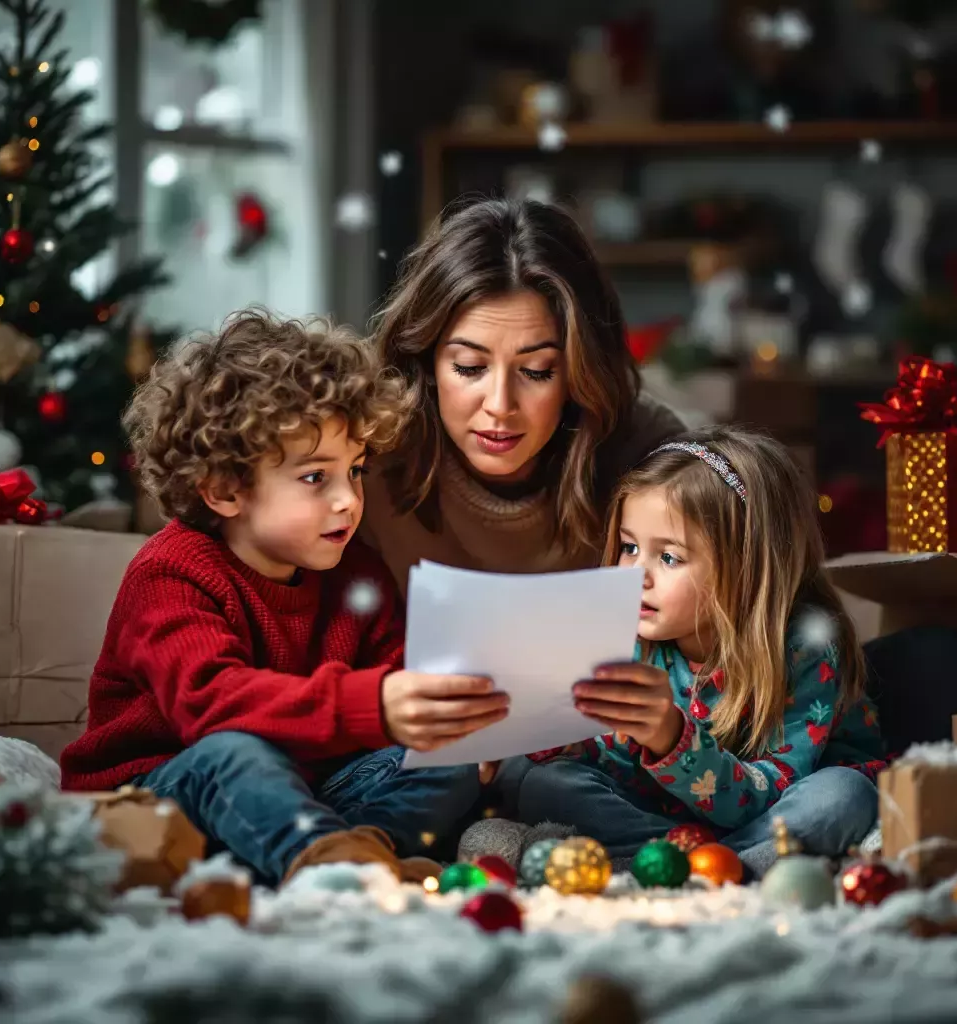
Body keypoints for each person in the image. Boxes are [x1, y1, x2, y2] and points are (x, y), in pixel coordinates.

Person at [59, 311, 510, 887]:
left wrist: (448, 717)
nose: (349, 500)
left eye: (356, 470)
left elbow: (391, 677)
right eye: (316, 478)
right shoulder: (169, 574)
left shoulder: (354, 571)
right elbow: (209, 704)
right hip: (156, 800)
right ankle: (328, 863)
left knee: (446, 756)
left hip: (302, 795)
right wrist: (373, 705)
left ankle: (358, 853)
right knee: (234, 753)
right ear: (224, 488)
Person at [515, 427, 886, 877]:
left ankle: (711, 867)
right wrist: (564, 737)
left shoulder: (804, 650)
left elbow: (765, 794)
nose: (636, 574)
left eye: (668, 558)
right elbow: (615, 763)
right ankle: (692, 863)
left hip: (768, 810)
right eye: (630, 547)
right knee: (545, 783)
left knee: (843, 796)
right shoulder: (628, 632)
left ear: (748, 566)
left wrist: (673, 738)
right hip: (665, 816)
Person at [360, 197, 686, 594]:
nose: (499, 405)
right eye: (468, 367)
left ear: (579, 372)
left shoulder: (651, 454)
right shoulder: (367, 457)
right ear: (426, 361)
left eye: (536, 372)